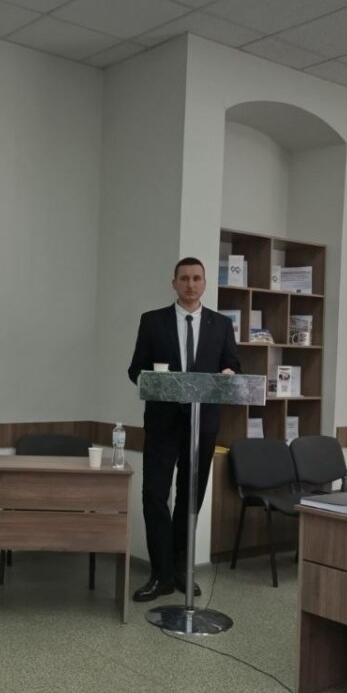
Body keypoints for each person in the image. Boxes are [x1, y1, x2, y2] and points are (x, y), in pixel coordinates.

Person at [128, 257, 240, 602]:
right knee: (154, 495)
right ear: (174, 283)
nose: (191, 284)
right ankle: (160, 574)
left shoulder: (221, 325)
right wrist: (154, 381)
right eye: (184, 278)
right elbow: (135, 370)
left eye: (196, 278)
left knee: (190, 499)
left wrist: (228, 374)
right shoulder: (153, 321)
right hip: (162, 423)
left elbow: (232, 366)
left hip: (202, 425)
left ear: (204, 283)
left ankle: (180, 570)